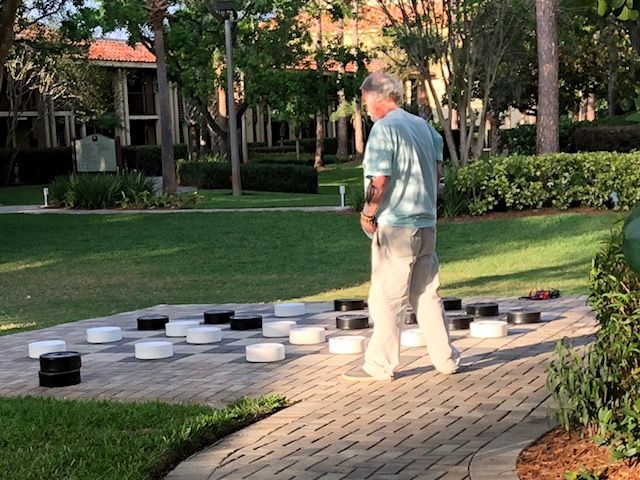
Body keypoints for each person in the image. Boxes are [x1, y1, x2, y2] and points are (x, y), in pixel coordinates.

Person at [342, 72, 460, 381]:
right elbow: (437, 175)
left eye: (365, 98)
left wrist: (367, 213)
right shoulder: (423, 127)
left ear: (379, 96)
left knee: (387, 298)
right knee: (426, 294)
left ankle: (379, 365)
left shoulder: (384, 129)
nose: (365, 106)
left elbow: (380, 180)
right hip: (426, 224)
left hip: (396, 227)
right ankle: (446, 359)